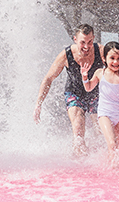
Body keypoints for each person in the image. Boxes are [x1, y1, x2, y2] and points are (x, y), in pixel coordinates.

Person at [34, 24, 103, 156]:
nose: (86, 47)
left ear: (93, 38)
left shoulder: (101, 51)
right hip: (74, 93)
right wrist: (38, 104)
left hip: (95, 93)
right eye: (82, 42)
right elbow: (48, 78)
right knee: (78, 128)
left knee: (100, 129)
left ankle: (99, 160)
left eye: (90, 42)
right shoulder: (66, 55)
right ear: (75, 39)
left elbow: (116, 72)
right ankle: (79, 161)